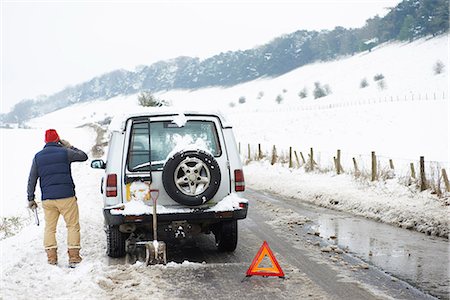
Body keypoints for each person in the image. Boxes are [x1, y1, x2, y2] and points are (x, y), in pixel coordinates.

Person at [27, 129, 88, 265]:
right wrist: (70, 146)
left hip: (48, 199)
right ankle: (74, 257)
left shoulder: (38, 157)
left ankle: (52, 258)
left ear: (45, 141)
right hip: (66, 197)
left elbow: (32, 179)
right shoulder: (65, 152)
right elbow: (84, 156)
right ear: (58, 140)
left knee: (50, 227)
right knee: (72, 226)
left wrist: (31, 198)